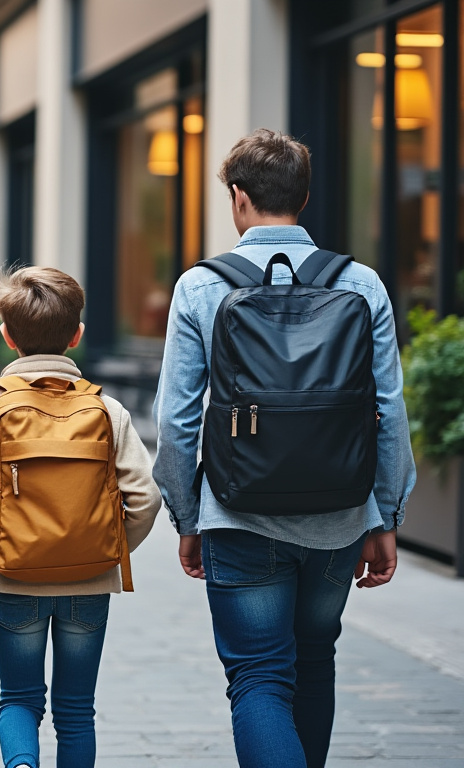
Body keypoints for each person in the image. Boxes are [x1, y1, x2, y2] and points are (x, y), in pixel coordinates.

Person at [152, 129, 416, 768]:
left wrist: (190, 518)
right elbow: (388, 413)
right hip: (339, 517)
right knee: (314, 660)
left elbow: (177, 422)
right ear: (303, 196)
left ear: (238, 198)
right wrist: (385, 517)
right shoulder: (362, 284)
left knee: (259, 677)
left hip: (239, 516)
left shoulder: (199, 287)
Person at [0, 266, 162, 768]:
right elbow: (145, 499)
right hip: (90, 581)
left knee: (18, 699)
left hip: (15, 578)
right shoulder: (108, 410)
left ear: (7, 336)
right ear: (77, 336)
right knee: (77, 711)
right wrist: (107, 543)